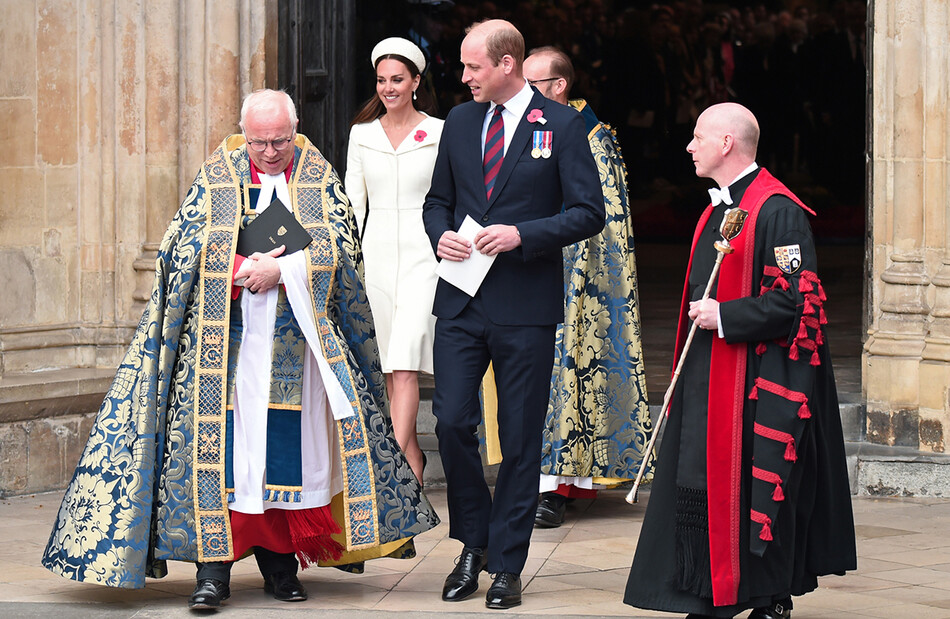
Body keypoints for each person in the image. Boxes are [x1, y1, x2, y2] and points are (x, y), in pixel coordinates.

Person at [41, 89, 439, 611]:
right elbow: (179, 251)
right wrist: (237, 269)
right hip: (223, 352)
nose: (270, 152)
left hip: (298, 349)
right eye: (259, 142)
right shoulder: (217, 177)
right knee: (226, 458)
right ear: (243, 134)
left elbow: (343, 252)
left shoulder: (318, 178)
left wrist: (284, 270)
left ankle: (281, 565)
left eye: (280, 141)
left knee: (282, 456)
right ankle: (214, 573)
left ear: (294, 131)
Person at [623, 102, 856, 619]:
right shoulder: (719, 209)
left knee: (756, 489)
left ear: (726, 143)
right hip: (710, 373)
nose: (689, 146)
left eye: (698, 136)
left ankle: (766, 596)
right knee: (700, 482)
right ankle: (708, 588)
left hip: (755, 379)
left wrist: (725, 315)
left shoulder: (779, 211)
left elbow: (797, 302)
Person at [422, 19, 604, 610]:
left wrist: (522, 234)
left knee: (521, 438)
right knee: (451, 422)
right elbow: (437, 201)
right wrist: (440, 234)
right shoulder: (460, 121)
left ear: (507, 64)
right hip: (460, 300)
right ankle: (472, 542)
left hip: (524, 305)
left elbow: (588, 212)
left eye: (473, 66)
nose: (464, 76)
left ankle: (506, 563)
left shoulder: (562, 124)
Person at [521, 47, 653, 529]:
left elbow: (603, 220)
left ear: (559, 86)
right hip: (527, 267)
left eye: (532, 85)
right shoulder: (526, 127)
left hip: (573, 278)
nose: (523, 94)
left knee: (567, 375)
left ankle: (555, 486)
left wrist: (572, 272)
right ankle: (542, 480)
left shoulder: (590, 135)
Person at [345, 37, 444, 485]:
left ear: (416, 82)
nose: (388, 88)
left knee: (404, 364)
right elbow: (352, 204)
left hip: (426, 258)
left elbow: (450, 197)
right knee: (387, 366)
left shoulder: (440, 132)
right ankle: (413, 457)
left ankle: (392, 475)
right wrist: (348, 262)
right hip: (377, 257)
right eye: (382, 80)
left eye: (398, 79)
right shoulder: (362, 134)